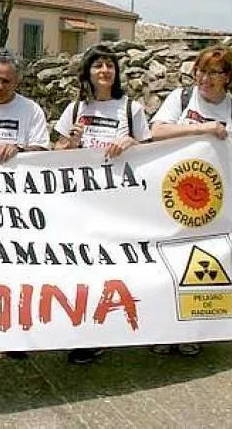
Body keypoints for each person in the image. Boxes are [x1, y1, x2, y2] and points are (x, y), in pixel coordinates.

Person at [148, 45, 232, 357]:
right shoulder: (181, 99)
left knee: (202, 265)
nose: (205, 78)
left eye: (214, 72)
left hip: (212, 204)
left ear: (227, 77)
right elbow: (157, 131)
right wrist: (204, 128)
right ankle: (165, 329)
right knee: (167, 261)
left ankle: (194, 330)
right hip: (171, 196)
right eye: (201, 71)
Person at [52, 43, 151, 365]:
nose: (105, 70)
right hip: (80, 205)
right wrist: (73, 141)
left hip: (119, 205)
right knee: (81, 271)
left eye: (110, 65)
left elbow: (151, 155)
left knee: (112, 270)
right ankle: (84, 333)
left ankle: (108, 330)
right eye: (98, 65)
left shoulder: (131, 109)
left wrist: (132, 141)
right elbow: (55, 153)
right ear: (88, 73)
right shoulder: (75, 109)